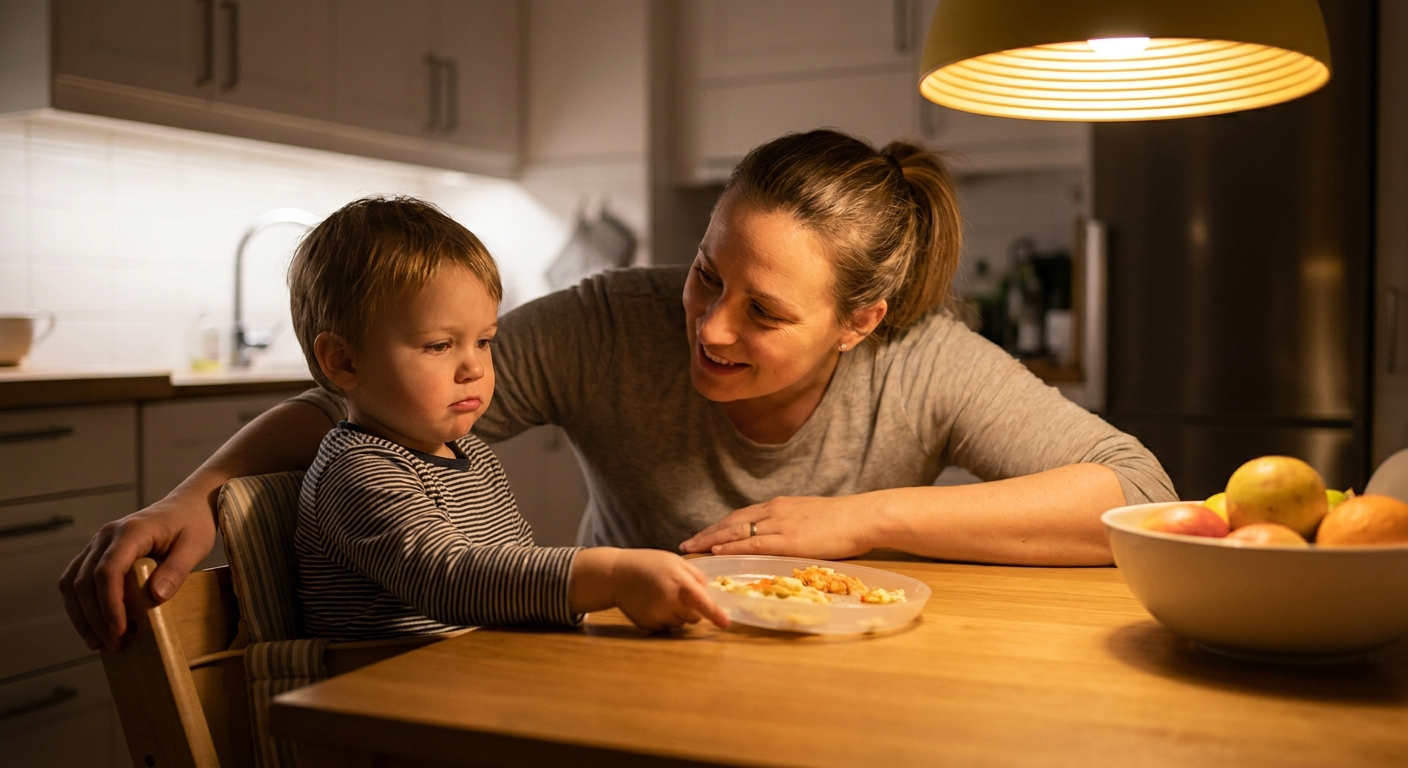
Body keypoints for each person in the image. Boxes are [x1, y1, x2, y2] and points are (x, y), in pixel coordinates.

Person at [60, 130, 1176, 652]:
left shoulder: (926, 358)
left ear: (861, 322)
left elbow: (1134, 489)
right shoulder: (611, 321)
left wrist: (860, 520)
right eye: (705, 273)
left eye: (766, 313)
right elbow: (363, 414)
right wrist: (192, 496)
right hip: (638, 679)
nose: (709, 324)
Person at [287, 196, 726, 639]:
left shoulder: (472, 454)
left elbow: (513, 582)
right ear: (343, 361)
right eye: (440, 345)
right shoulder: (358, 471)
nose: (474, 368)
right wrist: (608, 574)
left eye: (483, 341)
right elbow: (449, 580)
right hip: (378, 692)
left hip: (470, 675)